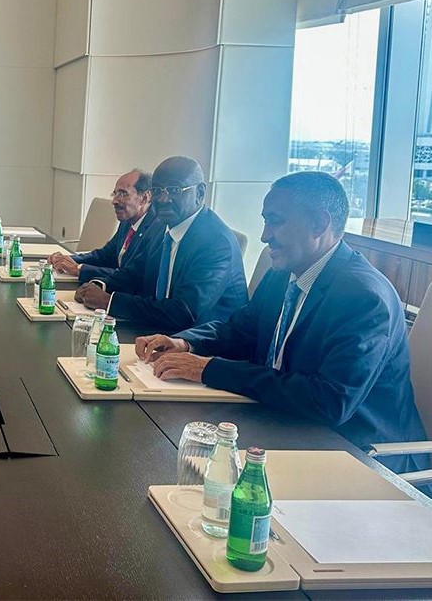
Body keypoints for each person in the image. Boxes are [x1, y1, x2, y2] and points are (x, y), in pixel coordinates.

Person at [137, 172, 427, 474]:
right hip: (284, 422)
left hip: (357, 455)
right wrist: (186, 343)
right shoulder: (284, 273)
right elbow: (240, 331)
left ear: (319, 224)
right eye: (265, 221)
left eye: (275, 221)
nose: (264, 235)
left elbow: (328, 401)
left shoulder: (364, 297)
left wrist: (209, 369)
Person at [75, 156, 247, 333]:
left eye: (174, 190)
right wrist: (99, 285)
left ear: (200, 193)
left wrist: (109, 302)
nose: (163, 199)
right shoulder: (162, 228)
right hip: (160, 330)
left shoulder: (216, 243)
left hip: (201, 341)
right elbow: (133, 274)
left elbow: (183, 312)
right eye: (157, 191)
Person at [47, 169, 159, 284]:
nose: (114, 201)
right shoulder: (127, 221)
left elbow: (130, 276)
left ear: (145, 198)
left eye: (123, 194)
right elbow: (105, 255)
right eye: (115, 194)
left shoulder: (156, 230)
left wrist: (79, 269)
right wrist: (68, 260)